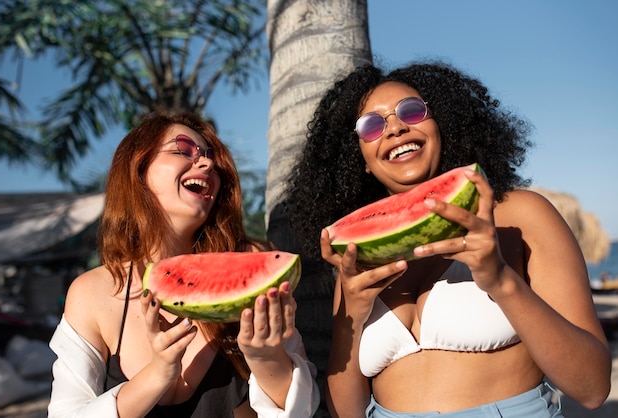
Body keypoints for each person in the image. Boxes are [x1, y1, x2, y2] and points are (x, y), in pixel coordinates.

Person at [284, 60, 611, 417]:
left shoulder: (521, 215)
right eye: (372, 125)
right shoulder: (360, 258)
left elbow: (593, 388)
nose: (394, 128)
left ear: (443, 126)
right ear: (359, 158)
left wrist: (501, 281)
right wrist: (352, 315)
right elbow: (347, 412)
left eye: (411, 111)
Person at [48, 109, 319, 417]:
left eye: (210, 157)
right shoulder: (93, 293)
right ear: (138, 170)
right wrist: (157, 373)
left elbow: (303, 410)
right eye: (183, 150)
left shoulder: (251, 261)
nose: (207, 163)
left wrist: (266, 357)